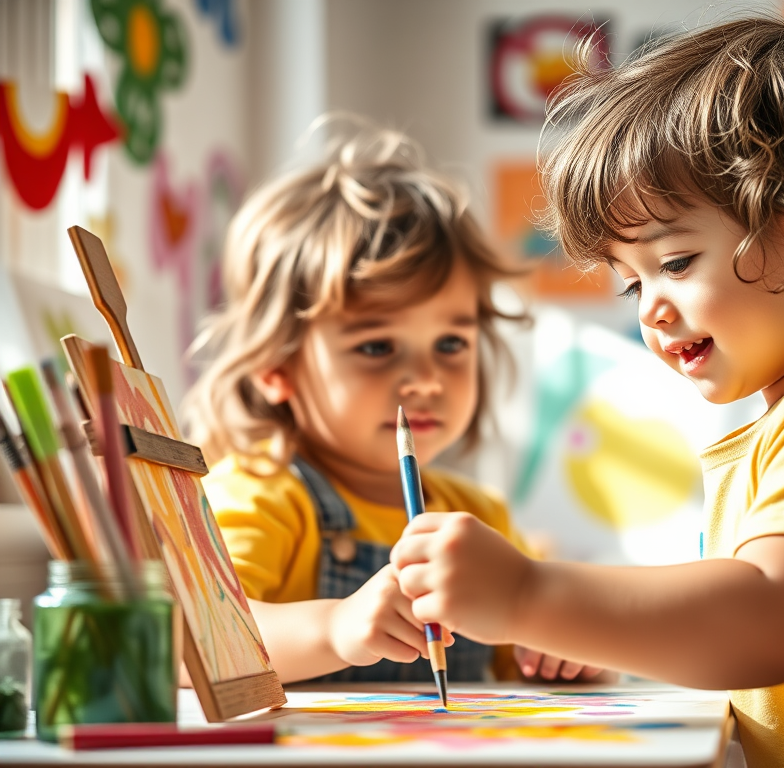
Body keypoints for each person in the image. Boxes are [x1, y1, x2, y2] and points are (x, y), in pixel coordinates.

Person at [390, 18, 784, 767]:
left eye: (678, 261)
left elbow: (765, 621)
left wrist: (529, 595)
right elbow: (738, 626)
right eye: (633, 284)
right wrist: (585, 626)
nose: (651, 309)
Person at [183, 118, 603, 685]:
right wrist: (336, 628)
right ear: (276, 368)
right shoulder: (260, 494)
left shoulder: (478, 516)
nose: (426, 380)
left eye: (451, 343)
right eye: (377, 346)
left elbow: (519, 661)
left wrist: (560, 654)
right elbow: (196, 640)